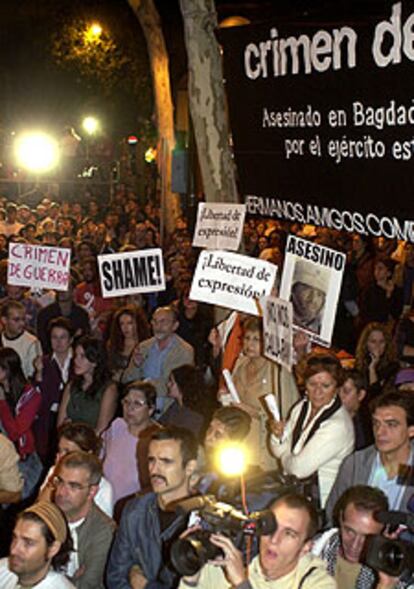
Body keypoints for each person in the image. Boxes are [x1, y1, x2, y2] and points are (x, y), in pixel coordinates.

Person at [179, 493, 335, 589]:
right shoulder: (226, 564)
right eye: (271, 526)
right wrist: (191, 578)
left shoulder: (317, 584)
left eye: (289, 534)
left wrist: (241, 584)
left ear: (306, 548)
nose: (274, 539)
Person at [106, 426, 198, 589]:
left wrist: (144, 585)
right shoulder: (134, 510)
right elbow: (115, 577)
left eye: (166, 461)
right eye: (151, 460)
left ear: (189, 467)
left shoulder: (202, 520)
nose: (154, 470)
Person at [270, 352, 354, 508]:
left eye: (325, 386)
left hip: (322, 503)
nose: (317, 391)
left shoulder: (338, 425)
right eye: (312, 384)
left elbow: (298, 470)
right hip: (296, 494)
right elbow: (277, 450)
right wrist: (276, 436)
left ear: (336, 387)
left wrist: (285, 454)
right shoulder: (302, 406)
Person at [326, 390, 414, 520]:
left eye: (391, 425)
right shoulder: (355, 464)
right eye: (376, 423)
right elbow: (333, 516)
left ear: (411, 430)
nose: (380, 432)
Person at [228, 317, 299, 470]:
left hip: (264, 448)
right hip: (238, 446)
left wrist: (254, 412)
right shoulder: (240, 364)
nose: (249, 344)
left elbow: (288, 416)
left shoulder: (278, 372)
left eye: (256, 339)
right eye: (247, 338)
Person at [53, 451, 116, 589]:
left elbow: (87, 585)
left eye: (73, 486)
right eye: (60, 481)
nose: (61, 492)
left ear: (92, 492)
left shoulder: (104, 531)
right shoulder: (49, 516)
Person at [313, 485, 388, 588]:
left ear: (383, 533)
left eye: (367, 537)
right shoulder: (310, 551)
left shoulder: (391, 573)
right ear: (340, 518)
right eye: (350, 531)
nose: (355, 545)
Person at [122, 306, 194, 411]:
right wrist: (136, 366)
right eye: (154, 322)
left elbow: (179, 386)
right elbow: (126, 379)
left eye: (163, 322)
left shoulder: (185, 351)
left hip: (168, 411)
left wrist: (144, 386)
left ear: (175, 326)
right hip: (139, 410)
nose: (158, 326)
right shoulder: (143, 347)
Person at [102, 380, 161, 504]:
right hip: (103, 504)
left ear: (150, 409)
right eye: (126, 402)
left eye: (137, 404)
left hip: (133, 510)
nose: (130, 408)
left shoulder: (158, 440)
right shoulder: (117, 426)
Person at [39, 422, 114, 518]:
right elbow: (39, 509)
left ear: (88, 454)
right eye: (60, 450)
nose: (61, 457)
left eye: (68, 452)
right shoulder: (53, 472)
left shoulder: (104, 488)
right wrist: (54, 478)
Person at [0, 347, 43, 499]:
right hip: (3, 457)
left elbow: (16, 432)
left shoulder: (30, 395)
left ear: (8, 370)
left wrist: (2, 403)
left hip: (23, 459)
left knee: (14, 502)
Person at [0, 501, 74, 588]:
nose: (14, 550)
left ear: (53, 549)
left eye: (28, 543)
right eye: (14, 538)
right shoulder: (3, 567)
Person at [33, 317, 74, 466]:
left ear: (71, 339)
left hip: (73, 418)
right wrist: (38, 374)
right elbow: (37, 398)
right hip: (48, 419)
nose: (58, 342)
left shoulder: (79, 360)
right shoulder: (43, 362)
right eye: (54, 337)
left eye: (63, 337)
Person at [57, 336, 118, 434]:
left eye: (82, 356)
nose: (76, 361)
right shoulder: (71, 386)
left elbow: (101, 430)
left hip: (91, 444)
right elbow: (60, 425)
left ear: (95, 361)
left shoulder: (109, 389)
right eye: (75, 355)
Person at [36, 283, 90, 353]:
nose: (61, 290)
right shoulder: (45, 314)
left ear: (73, 291)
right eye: (59, 287)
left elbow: (85, 339)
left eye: (65, 287)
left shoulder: (82, 314)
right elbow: (42, 340)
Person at [354, 322, 399, 401]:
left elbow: (375, 395)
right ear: (366, 344)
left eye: (381, 342)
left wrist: (372, 369)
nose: (377, 346)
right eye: (373, 341)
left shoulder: (393, 367)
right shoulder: (360, 363)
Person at [107, 304, 150, 381]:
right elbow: (110, 368)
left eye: (130, 323)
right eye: (122, 324)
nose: (125, 327)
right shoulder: (113, 344)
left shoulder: (147, 344)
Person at [160, 365, 205, 438]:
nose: (168, 384)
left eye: (172, 382)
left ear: (181, 385)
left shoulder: (194, 416)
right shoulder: (175, 406)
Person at [0, 300, 42, 378]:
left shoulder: (32, 343)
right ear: (4, 320)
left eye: (23, 319)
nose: (22, 323)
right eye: (16, 320)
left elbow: (32, 375)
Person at [290, 260, 329, 335]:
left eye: (319, 294)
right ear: (293, 289)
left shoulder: (322, 329)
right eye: (307, 289)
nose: (313, 299)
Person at [339, 369, 374, 451]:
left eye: (346, 391)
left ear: (361, 395)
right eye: (337, 391)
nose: (340, 396)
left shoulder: (369, 423)